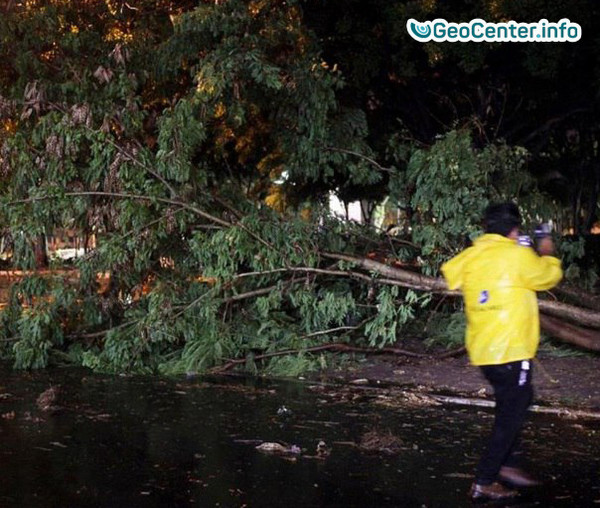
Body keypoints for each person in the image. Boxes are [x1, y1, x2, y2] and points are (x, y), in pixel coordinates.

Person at [440, 202, 563, 501]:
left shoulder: (472, 254)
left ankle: (509, 464)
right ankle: (485, 480)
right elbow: (548, 277)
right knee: (511, 415)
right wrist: (544, 248)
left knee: (517, 402)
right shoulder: (518, 255)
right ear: (514, 229)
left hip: (484, 353)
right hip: (511, 352)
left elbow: (450, 274)